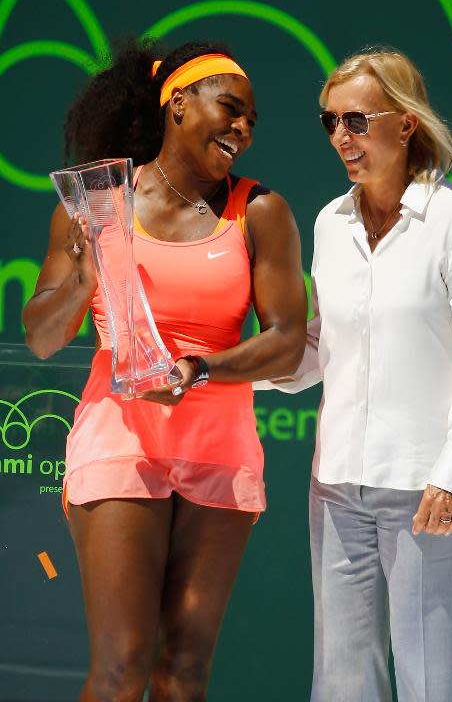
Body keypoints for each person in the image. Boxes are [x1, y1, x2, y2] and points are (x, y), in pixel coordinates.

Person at [23, 38, 307, 702]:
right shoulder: (96, 205)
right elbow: (41, 336)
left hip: (220, 453)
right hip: (120, 445)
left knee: (182, 675)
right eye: (230, 108)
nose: (242, 128)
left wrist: (197, 371)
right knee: (120, 671)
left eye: (251, 122)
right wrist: (82, 274)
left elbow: (287, 343)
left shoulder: (260, 210)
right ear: (178, 103)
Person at [256, 48, 452, 701]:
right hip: (336, 488)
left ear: (405, 123)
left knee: (432, 685)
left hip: (428, 489)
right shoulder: (329, 224)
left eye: (357, 120)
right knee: (340, 685)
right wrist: (229, 371)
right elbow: (321, 347)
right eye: (329, 122)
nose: (341, 137)